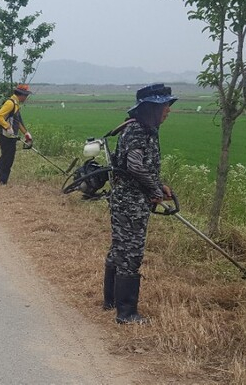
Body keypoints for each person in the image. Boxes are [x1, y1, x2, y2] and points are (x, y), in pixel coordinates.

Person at [104, 83, 177, 324]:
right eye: (165, 106)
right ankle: (126, 313)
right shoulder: (137, 131)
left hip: (129, 199)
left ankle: (111, 301)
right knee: (130, 252)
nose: (168, 110)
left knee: (120, 248)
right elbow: (134, 165)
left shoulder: (143, 129)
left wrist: (159, 185)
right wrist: (153, 189)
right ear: (150, 108)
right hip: (130, 203)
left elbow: (142, 165)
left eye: (168, 105)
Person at [0, 83, 33, 185]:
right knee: (8, 159)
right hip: (6, 136)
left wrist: (26, 133)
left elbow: (17, 121)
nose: (26, 98)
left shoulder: (16, 103)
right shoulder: (10, 103)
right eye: (26, 96)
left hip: (11, 135)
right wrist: (7, 127)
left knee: (5, 157)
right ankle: (2, 181)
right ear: (21, 95)